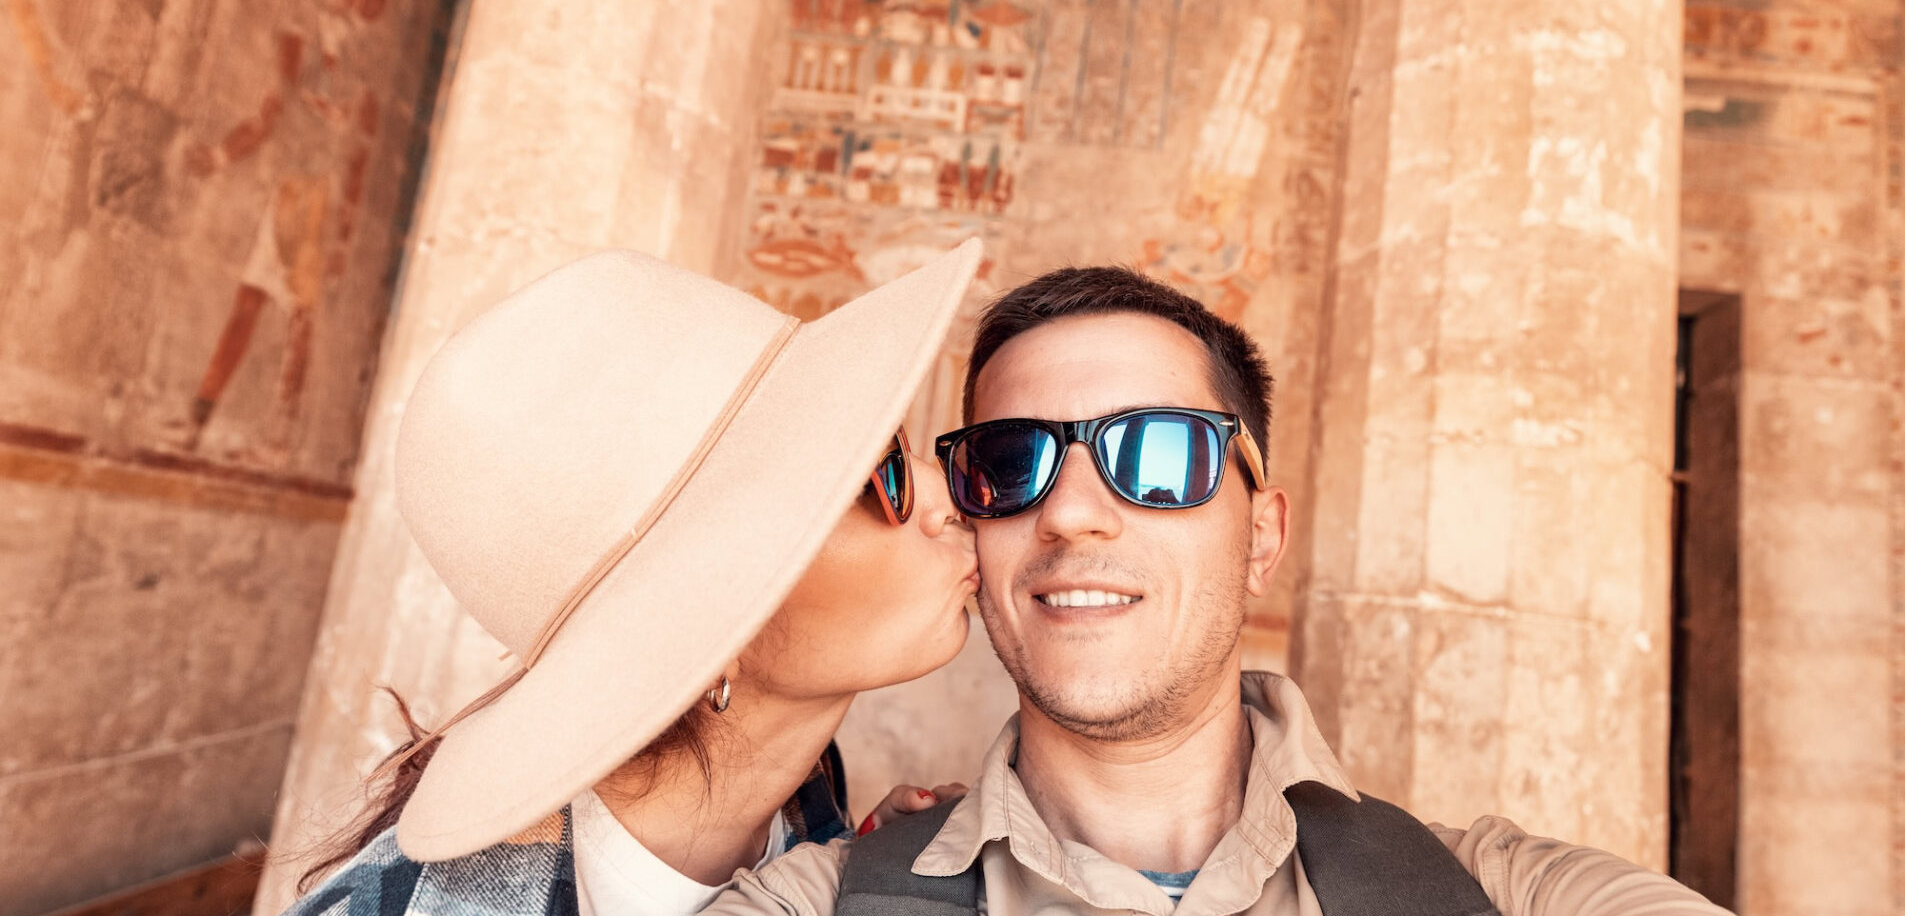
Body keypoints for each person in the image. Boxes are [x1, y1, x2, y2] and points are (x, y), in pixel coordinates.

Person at [704, 266, 1732, 915]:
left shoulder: (1512, 894)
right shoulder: (818, 900)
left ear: (1261, 537)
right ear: (977, 525)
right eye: (1011, 461)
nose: (1072, 515)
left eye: (1156, 455)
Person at [282, 239, 985, 916]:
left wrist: (851, 876)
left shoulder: (803, 803)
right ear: (713, 629)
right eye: (876, 475)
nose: (942, 494)